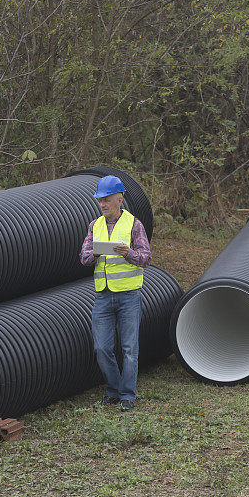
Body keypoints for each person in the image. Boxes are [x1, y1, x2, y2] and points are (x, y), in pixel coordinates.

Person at [80, 175, 151, 412]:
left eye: (107, 200)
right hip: (103, 295)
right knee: (102, 347)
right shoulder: (94, 226)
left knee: (130, 349)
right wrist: (96, 254)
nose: (102, 204)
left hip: (129, 296)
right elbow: (84, 258)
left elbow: (146, 258)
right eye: (100, 200)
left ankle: (127, 396)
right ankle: (113, 390)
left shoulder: (134, 225)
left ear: (120, 199)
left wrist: (128, 253)